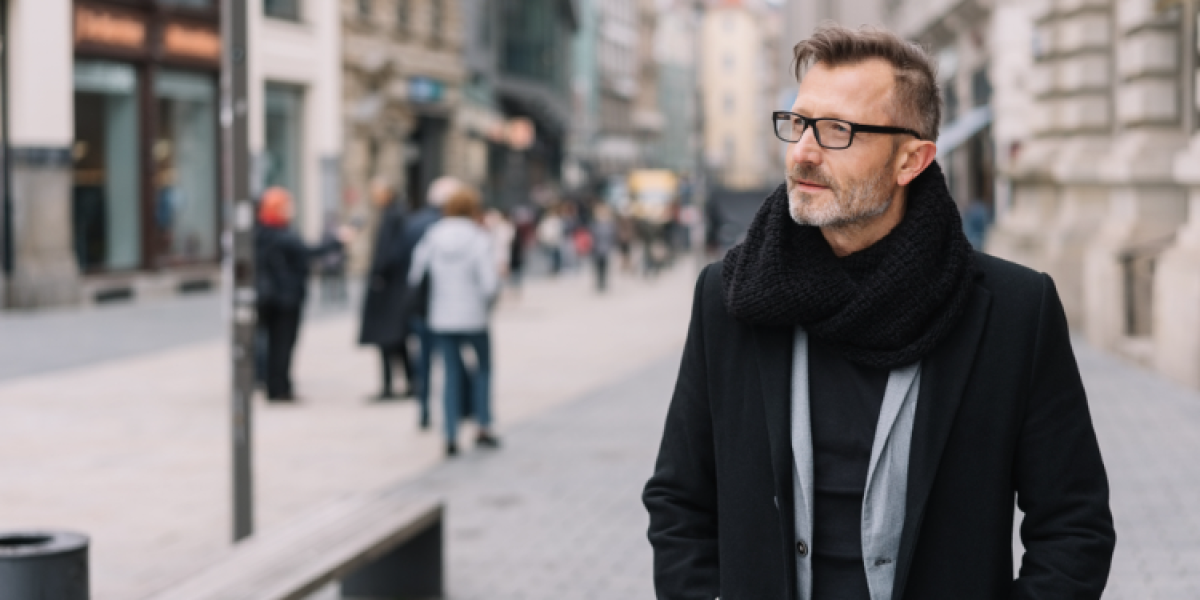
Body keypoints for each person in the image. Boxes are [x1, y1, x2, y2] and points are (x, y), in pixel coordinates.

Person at [643, 24, 1115, 600]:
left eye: (838, 130)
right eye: (798, 123)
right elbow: (679, 501)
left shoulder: (1015, 311)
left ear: (910, 159)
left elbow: (1074, 526)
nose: (805, 152)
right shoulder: (731, 298)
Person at [407, 184, 500, 457]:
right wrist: (487, 306)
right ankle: (483, 425)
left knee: (450, 374)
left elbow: (415, 276)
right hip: (474, 317)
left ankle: (450, 434)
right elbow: (489, 284)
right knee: (483, 369)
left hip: (441, 317)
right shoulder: (479, 238)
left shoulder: (432, 236)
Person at [254, 186, 349, 402]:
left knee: (274, 343)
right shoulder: (278, 233)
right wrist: (338, 241)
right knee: (282, 344)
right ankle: (279, 388)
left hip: (272, 297)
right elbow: (308, 252)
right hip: (284, 298)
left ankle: (276, 385)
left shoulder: (263, 231)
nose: (291, 210)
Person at [402, 176, 460, 428]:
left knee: (423, 359)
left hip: (421, 305)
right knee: (451, 361)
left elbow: (408, 267)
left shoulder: (413, 223)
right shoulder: (449, 227)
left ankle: (424, 408)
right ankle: (456, 410)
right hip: (448, 305)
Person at [358, 178, 414, 400]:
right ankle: (408, 382)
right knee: (396, 339)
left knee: (389, 338)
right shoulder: (395, 215)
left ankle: (392, 385)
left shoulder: (392, 217)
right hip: (392, 287)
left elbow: (389, 253)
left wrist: (378, 275)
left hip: (388, 288)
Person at [590, 203, 617, 292]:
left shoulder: (610, 224)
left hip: (605, 249)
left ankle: (603, 282)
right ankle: (599, 282)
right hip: (596, 249)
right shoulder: (594, 223)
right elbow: (591, 236)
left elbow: (613, 236)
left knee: (605, 267)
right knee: (597, 267)